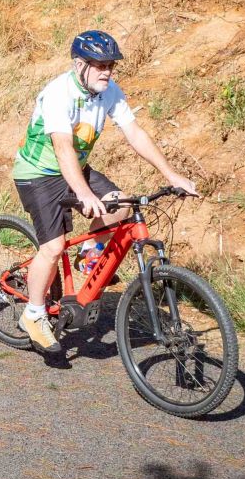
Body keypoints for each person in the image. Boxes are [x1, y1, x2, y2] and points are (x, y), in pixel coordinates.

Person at [11, 29, 198, 354]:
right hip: (38, 174)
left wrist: (172, 174)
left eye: (111, 65)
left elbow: (134, 133)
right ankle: (34, 313)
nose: (107, 72)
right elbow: (64, 148)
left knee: (119, 204)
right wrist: (83, 193)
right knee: (53, 248)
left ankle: (89, 257)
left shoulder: (108, 91)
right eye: (100, 65)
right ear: (79, 65)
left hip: (74, 170)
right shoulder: (60, 94)